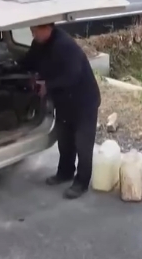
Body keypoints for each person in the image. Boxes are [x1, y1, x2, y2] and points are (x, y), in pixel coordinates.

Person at [17, 23, 101, 199]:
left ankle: (81, 182)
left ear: (48, 28)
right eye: (31, 31)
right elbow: (29, 61)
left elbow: (73, 74)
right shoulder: (39, 44)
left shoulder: (65, 45)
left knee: (82, 144)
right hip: (63, 101)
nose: (33, 35)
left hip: (83, 101)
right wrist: (17, 68)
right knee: (64, 140)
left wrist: (47, 85)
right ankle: (65, 172)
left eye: (35, 31)